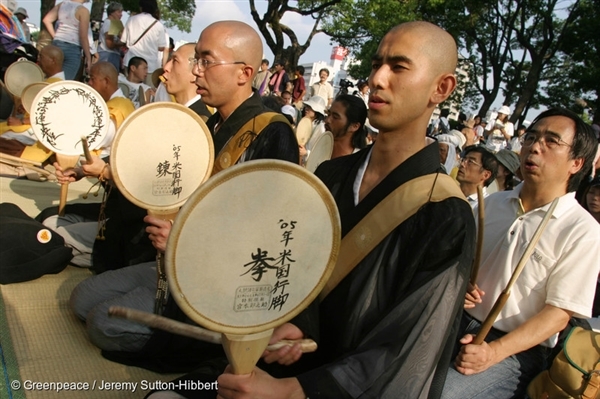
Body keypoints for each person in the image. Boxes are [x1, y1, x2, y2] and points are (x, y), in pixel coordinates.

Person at [149, 20, 475, 399]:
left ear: (442, 88)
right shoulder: (331, 177)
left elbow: (408, 351)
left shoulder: (446, 214)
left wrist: (290, 391)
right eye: (375, 64)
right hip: (281, 359)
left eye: (398, 67)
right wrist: (294, 322)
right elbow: (292, 267)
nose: (378, 79)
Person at [69, 20, 299, 363]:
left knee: (102, 323)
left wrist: (186, 236)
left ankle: (212, 346)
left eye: (206, 61)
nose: (197, 71)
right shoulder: (208, 124)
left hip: (214, 281)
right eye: (196, 61)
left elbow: (268, 233)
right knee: (82, 298)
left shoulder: (272, 132)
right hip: (173, 263)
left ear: (244, 72)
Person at [441, 108, 600, 399]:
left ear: (576, 163)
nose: (535, 146)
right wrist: (460, 284)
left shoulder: (581, 230)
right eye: (531, 137)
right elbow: (455, 264)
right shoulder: (491, 204)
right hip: (453, 321)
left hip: (515, 349)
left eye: (552, 141)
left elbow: (558, 315)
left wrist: (493, 353)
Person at [38, 62, 136, 268]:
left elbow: (94, 139)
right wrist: (82, 171)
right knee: (49, 217)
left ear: (106, 81)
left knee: (50, 230)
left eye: (92, 78)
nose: (89, 83)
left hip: (127, 219)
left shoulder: (119, 106)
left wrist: (103, 171)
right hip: (111, 199)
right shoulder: (110, 104)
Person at [43, 0, 92, 80]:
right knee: (64, 82)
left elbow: (46, 20)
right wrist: (88, 57)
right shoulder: (83, 11)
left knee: (52, 79)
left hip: (56, 44)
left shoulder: (62, 4)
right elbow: (83, 36)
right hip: (72, 48)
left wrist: (55, 36)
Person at [160, 43, 210, 120]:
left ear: (195, 72)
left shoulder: (199, 122)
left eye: (175, 61)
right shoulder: (178, 115)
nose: (166, 67)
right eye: (170, 60)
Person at [121, 0, 167, 80]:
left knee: (128, 88)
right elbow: (161, 47)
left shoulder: (131, 20)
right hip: (150, 65)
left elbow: (123, 40)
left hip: (131, 61)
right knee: (146, 91)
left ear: (141, 7)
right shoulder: (158, 25)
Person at [326, 94, 368, 158]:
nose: (327, 120)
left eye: (335, 117)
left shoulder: (358, 162)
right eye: (328, 114)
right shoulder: (321, 146)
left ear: (354, 126)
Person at [297, 95, 326, 164]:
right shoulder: (305, 121)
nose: (307, 109)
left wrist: (306, 153)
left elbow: (320, 152)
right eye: (307, 106)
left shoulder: (320, 127)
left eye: (310, 107)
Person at [97, 2, 124, 72]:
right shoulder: (109, 23)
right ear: (112, 12)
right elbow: (110, 44)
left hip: (113, 55)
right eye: (119, 12)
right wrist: (123, 43)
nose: (121, 15)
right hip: (107, 55)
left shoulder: (115, 24)